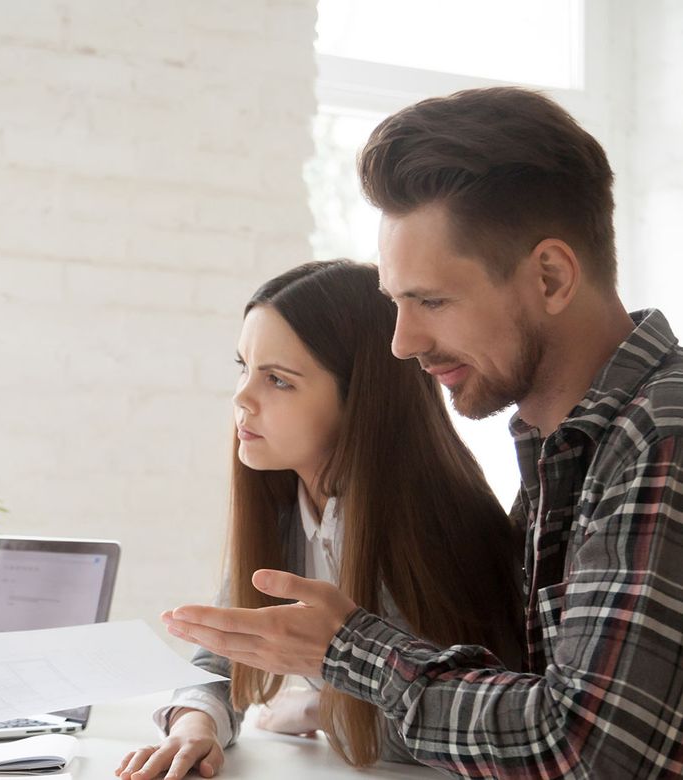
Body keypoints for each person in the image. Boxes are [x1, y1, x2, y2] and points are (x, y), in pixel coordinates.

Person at [163, 87, 683, 778]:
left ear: (551, 277)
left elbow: (588, 753)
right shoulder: (566, 450)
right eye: (396, 304)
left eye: (433, 301)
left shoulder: (660, 436)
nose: (403, 345)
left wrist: (345, 653)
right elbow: (535, 699)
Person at [116, 260, 524, 780]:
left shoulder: (435, 531)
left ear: (361, 400)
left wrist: (320, 705)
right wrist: (195, 725)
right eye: (243, 367)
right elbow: (221, 660)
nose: (242, 397)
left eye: (278, 380)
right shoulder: (288, 510)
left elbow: (442, 730)